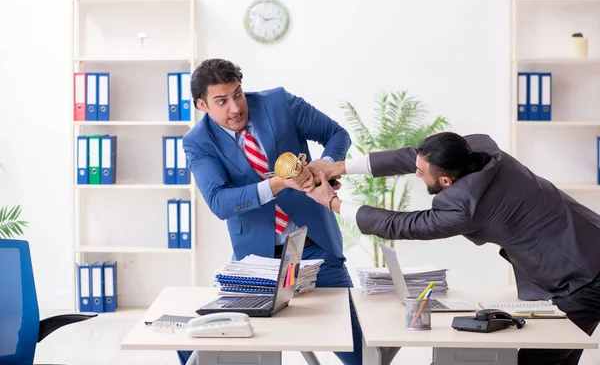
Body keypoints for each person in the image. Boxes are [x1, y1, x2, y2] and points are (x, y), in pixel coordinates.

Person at [306, 131, 600, 365]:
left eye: (421, 173)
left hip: (584, 276)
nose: (416, 174)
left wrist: (333, 202)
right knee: (557, 353)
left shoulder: (464, 207)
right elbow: (414, 156)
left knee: (538, 358)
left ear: (446, 181)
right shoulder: (481, 150)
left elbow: (400, 225)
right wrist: (338, 167)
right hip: (588, 238)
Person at [179, 58, 362, 365]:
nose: (235, 108)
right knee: (196, 342)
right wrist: (278, 184)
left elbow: (336, 133)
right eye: (221, 101)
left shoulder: (278, 102)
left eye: (237, 93)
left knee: (357, 347)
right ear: (202, 104)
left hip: (316, 249)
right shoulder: (198, 142)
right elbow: (220, 202)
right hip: (256, 263)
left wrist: (326, 166)